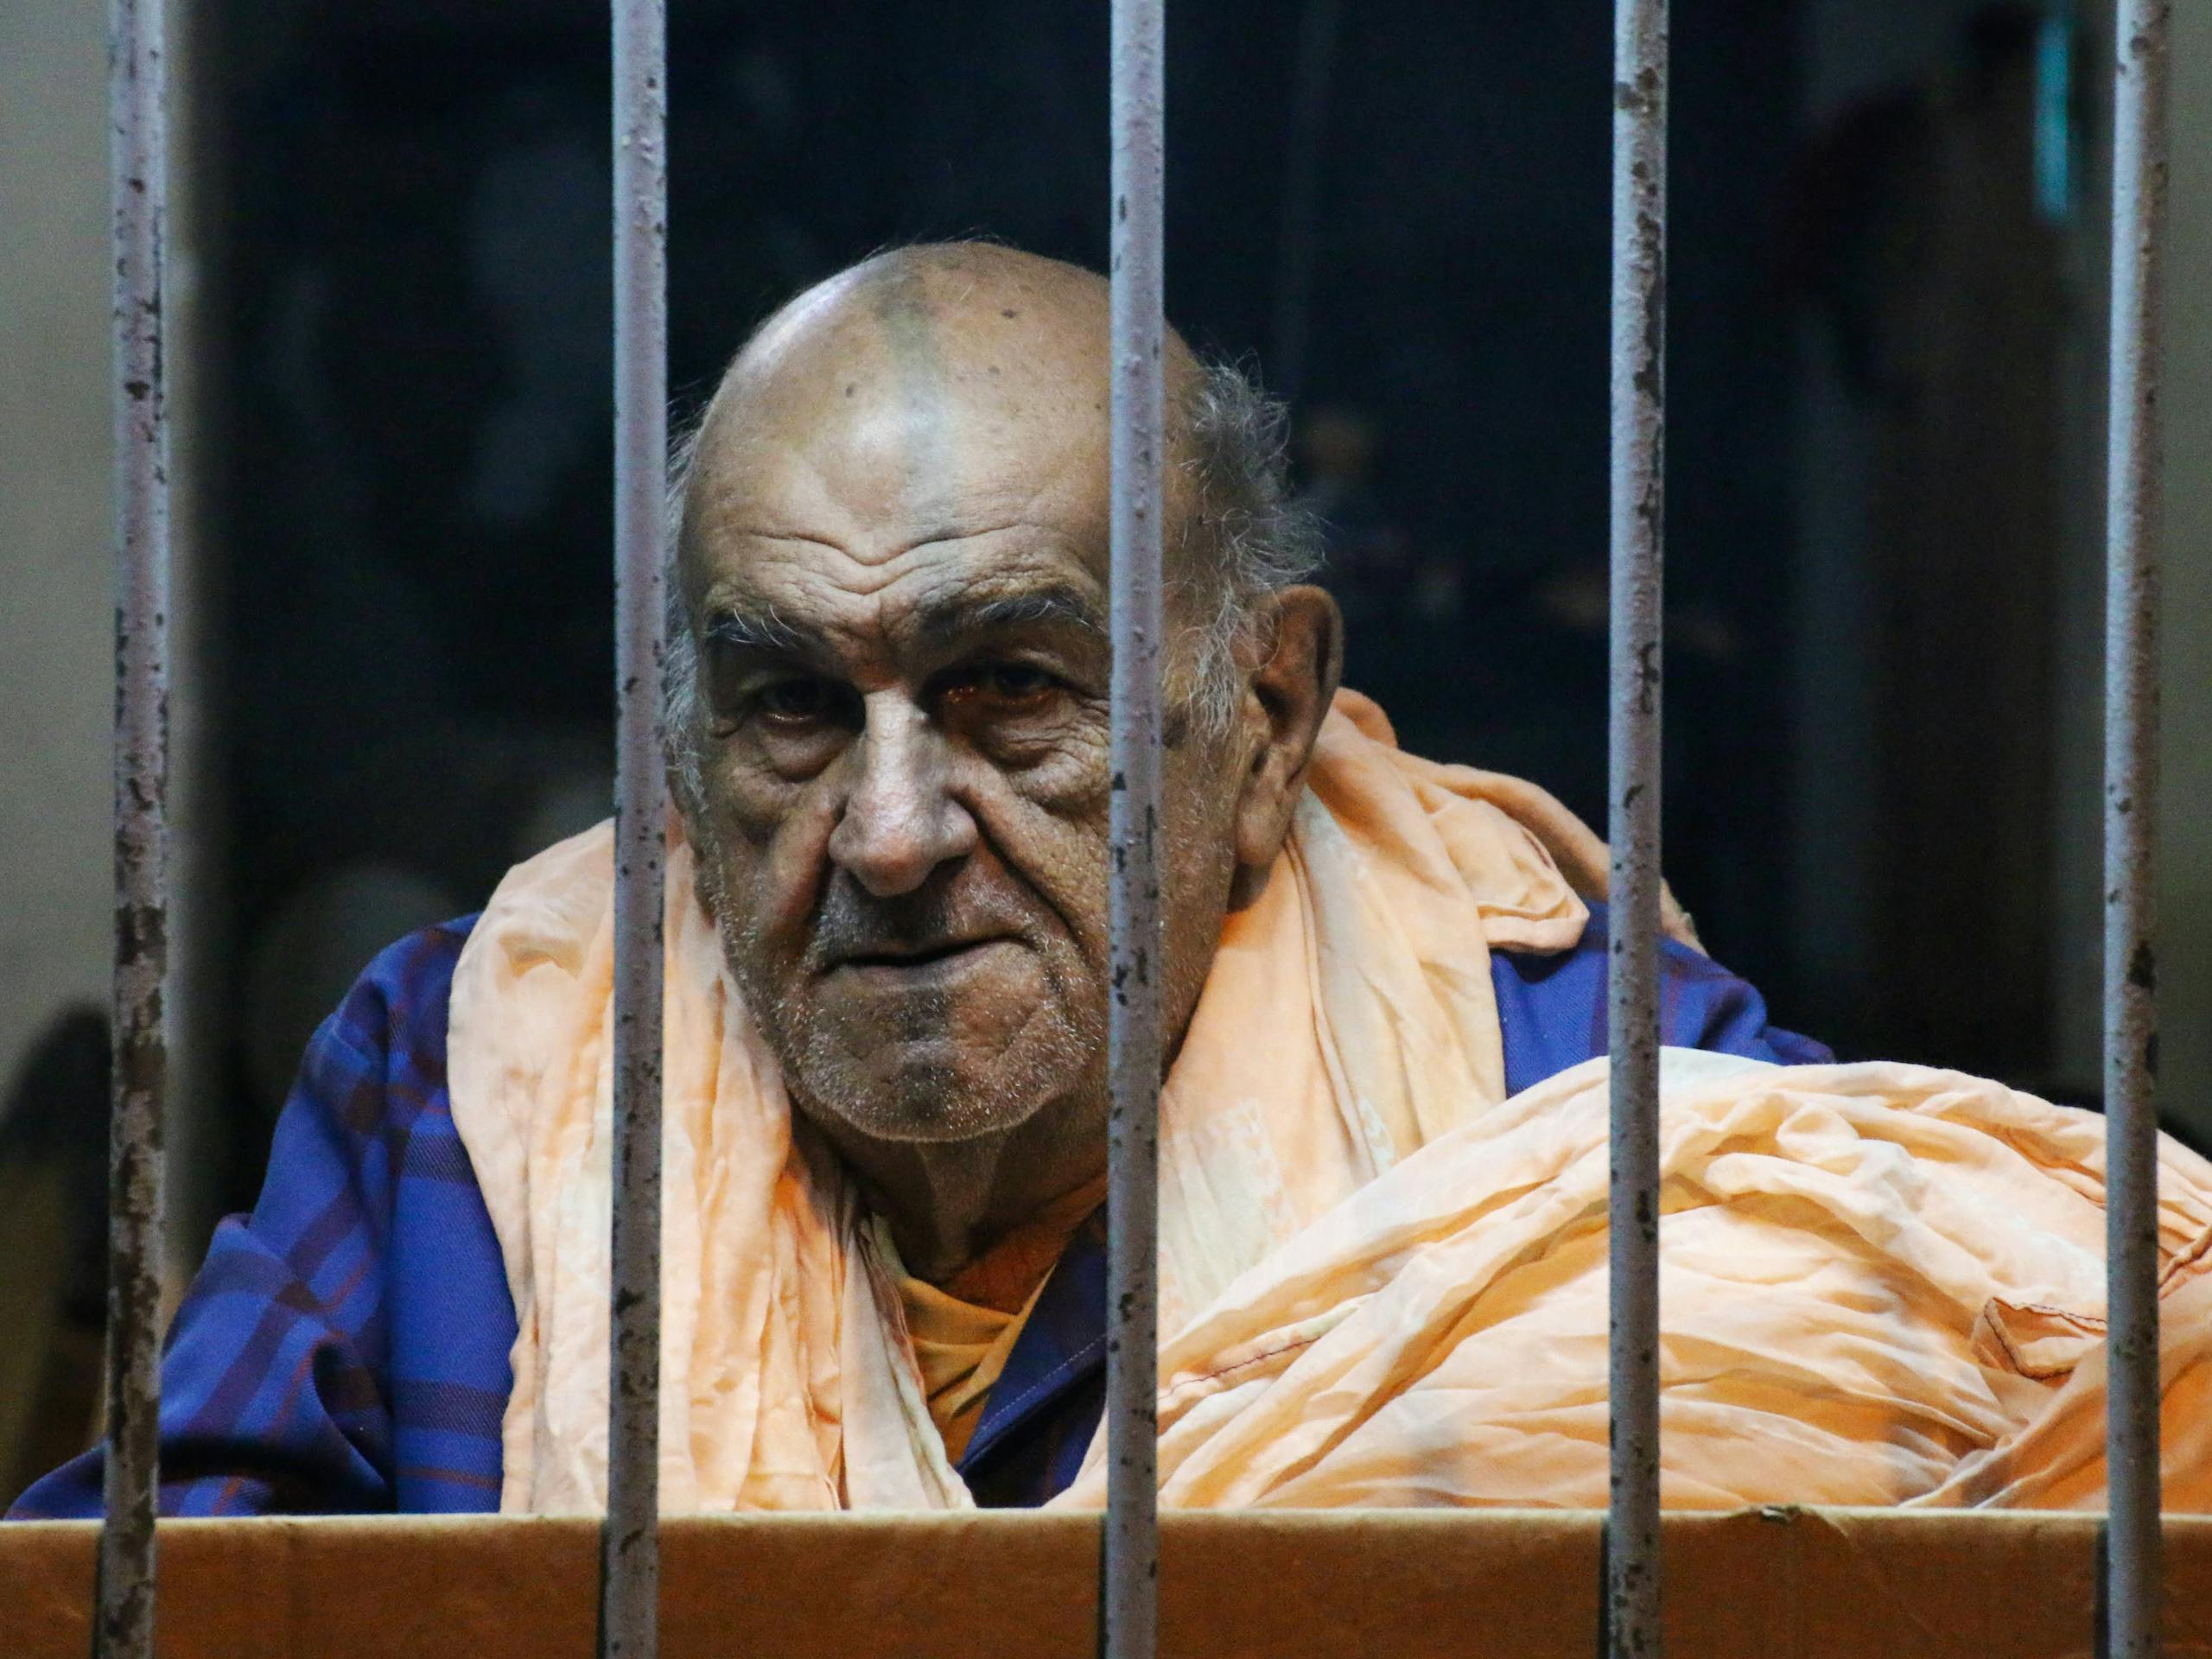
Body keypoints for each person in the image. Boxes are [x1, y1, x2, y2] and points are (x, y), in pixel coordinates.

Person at [22, 245, 2204, 1521]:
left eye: (1009, 693)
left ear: (1261, 724)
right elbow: (167, 1605)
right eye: (789, 706)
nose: (883, 835)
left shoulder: (1573, 1097)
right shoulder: (475, 1072)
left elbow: (2104, 1417)